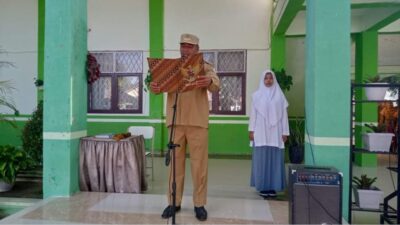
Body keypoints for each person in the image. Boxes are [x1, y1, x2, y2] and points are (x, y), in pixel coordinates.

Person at [150, 33, 220, 221]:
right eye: (183, 45)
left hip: (197, 122)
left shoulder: (205, 67)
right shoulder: (172, 68)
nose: (185, 49)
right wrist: (154, 87)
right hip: (176, 122)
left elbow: (216, 85)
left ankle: (199, 204)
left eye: (189, 46)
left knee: (199, 167)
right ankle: (174, 202)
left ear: (197, 49)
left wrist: (209, 81)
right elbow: (156, 84)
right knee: (175, 166)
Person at [248, 69, 289, 198]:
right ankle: (262, 187)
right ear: (262, 80)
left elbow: (284, 116)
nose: (268, 80)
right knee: (261, 159)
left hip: (276, 133)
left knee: (275, 159)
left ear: (274, 79)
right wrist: (251, 130)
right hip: (260, 131)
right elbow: (253, 114)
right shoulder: (256, 95)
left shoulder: (280, 96)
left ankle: (273, 187)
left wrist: (285, 132)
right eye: (266, 78)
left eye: (270, 78)